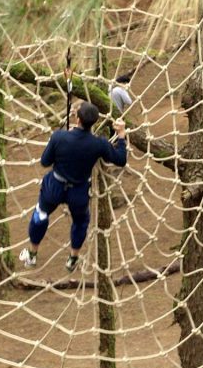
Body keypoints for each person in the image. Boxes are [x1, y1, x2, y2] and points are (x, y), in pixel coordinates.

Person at [20, 102, 127, 272]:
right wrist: (120, 135)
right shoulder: (99, 144)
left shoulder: (59, 137)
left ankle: (32, 254)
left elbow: (45, 161)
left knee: (41, 213)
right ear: (94, 122)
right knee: (81, 221)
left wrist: (59, 145)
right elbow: (120, 159)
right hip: (78, 191)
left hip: (54, 186)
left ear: (77, 118)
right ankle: (73, 258)